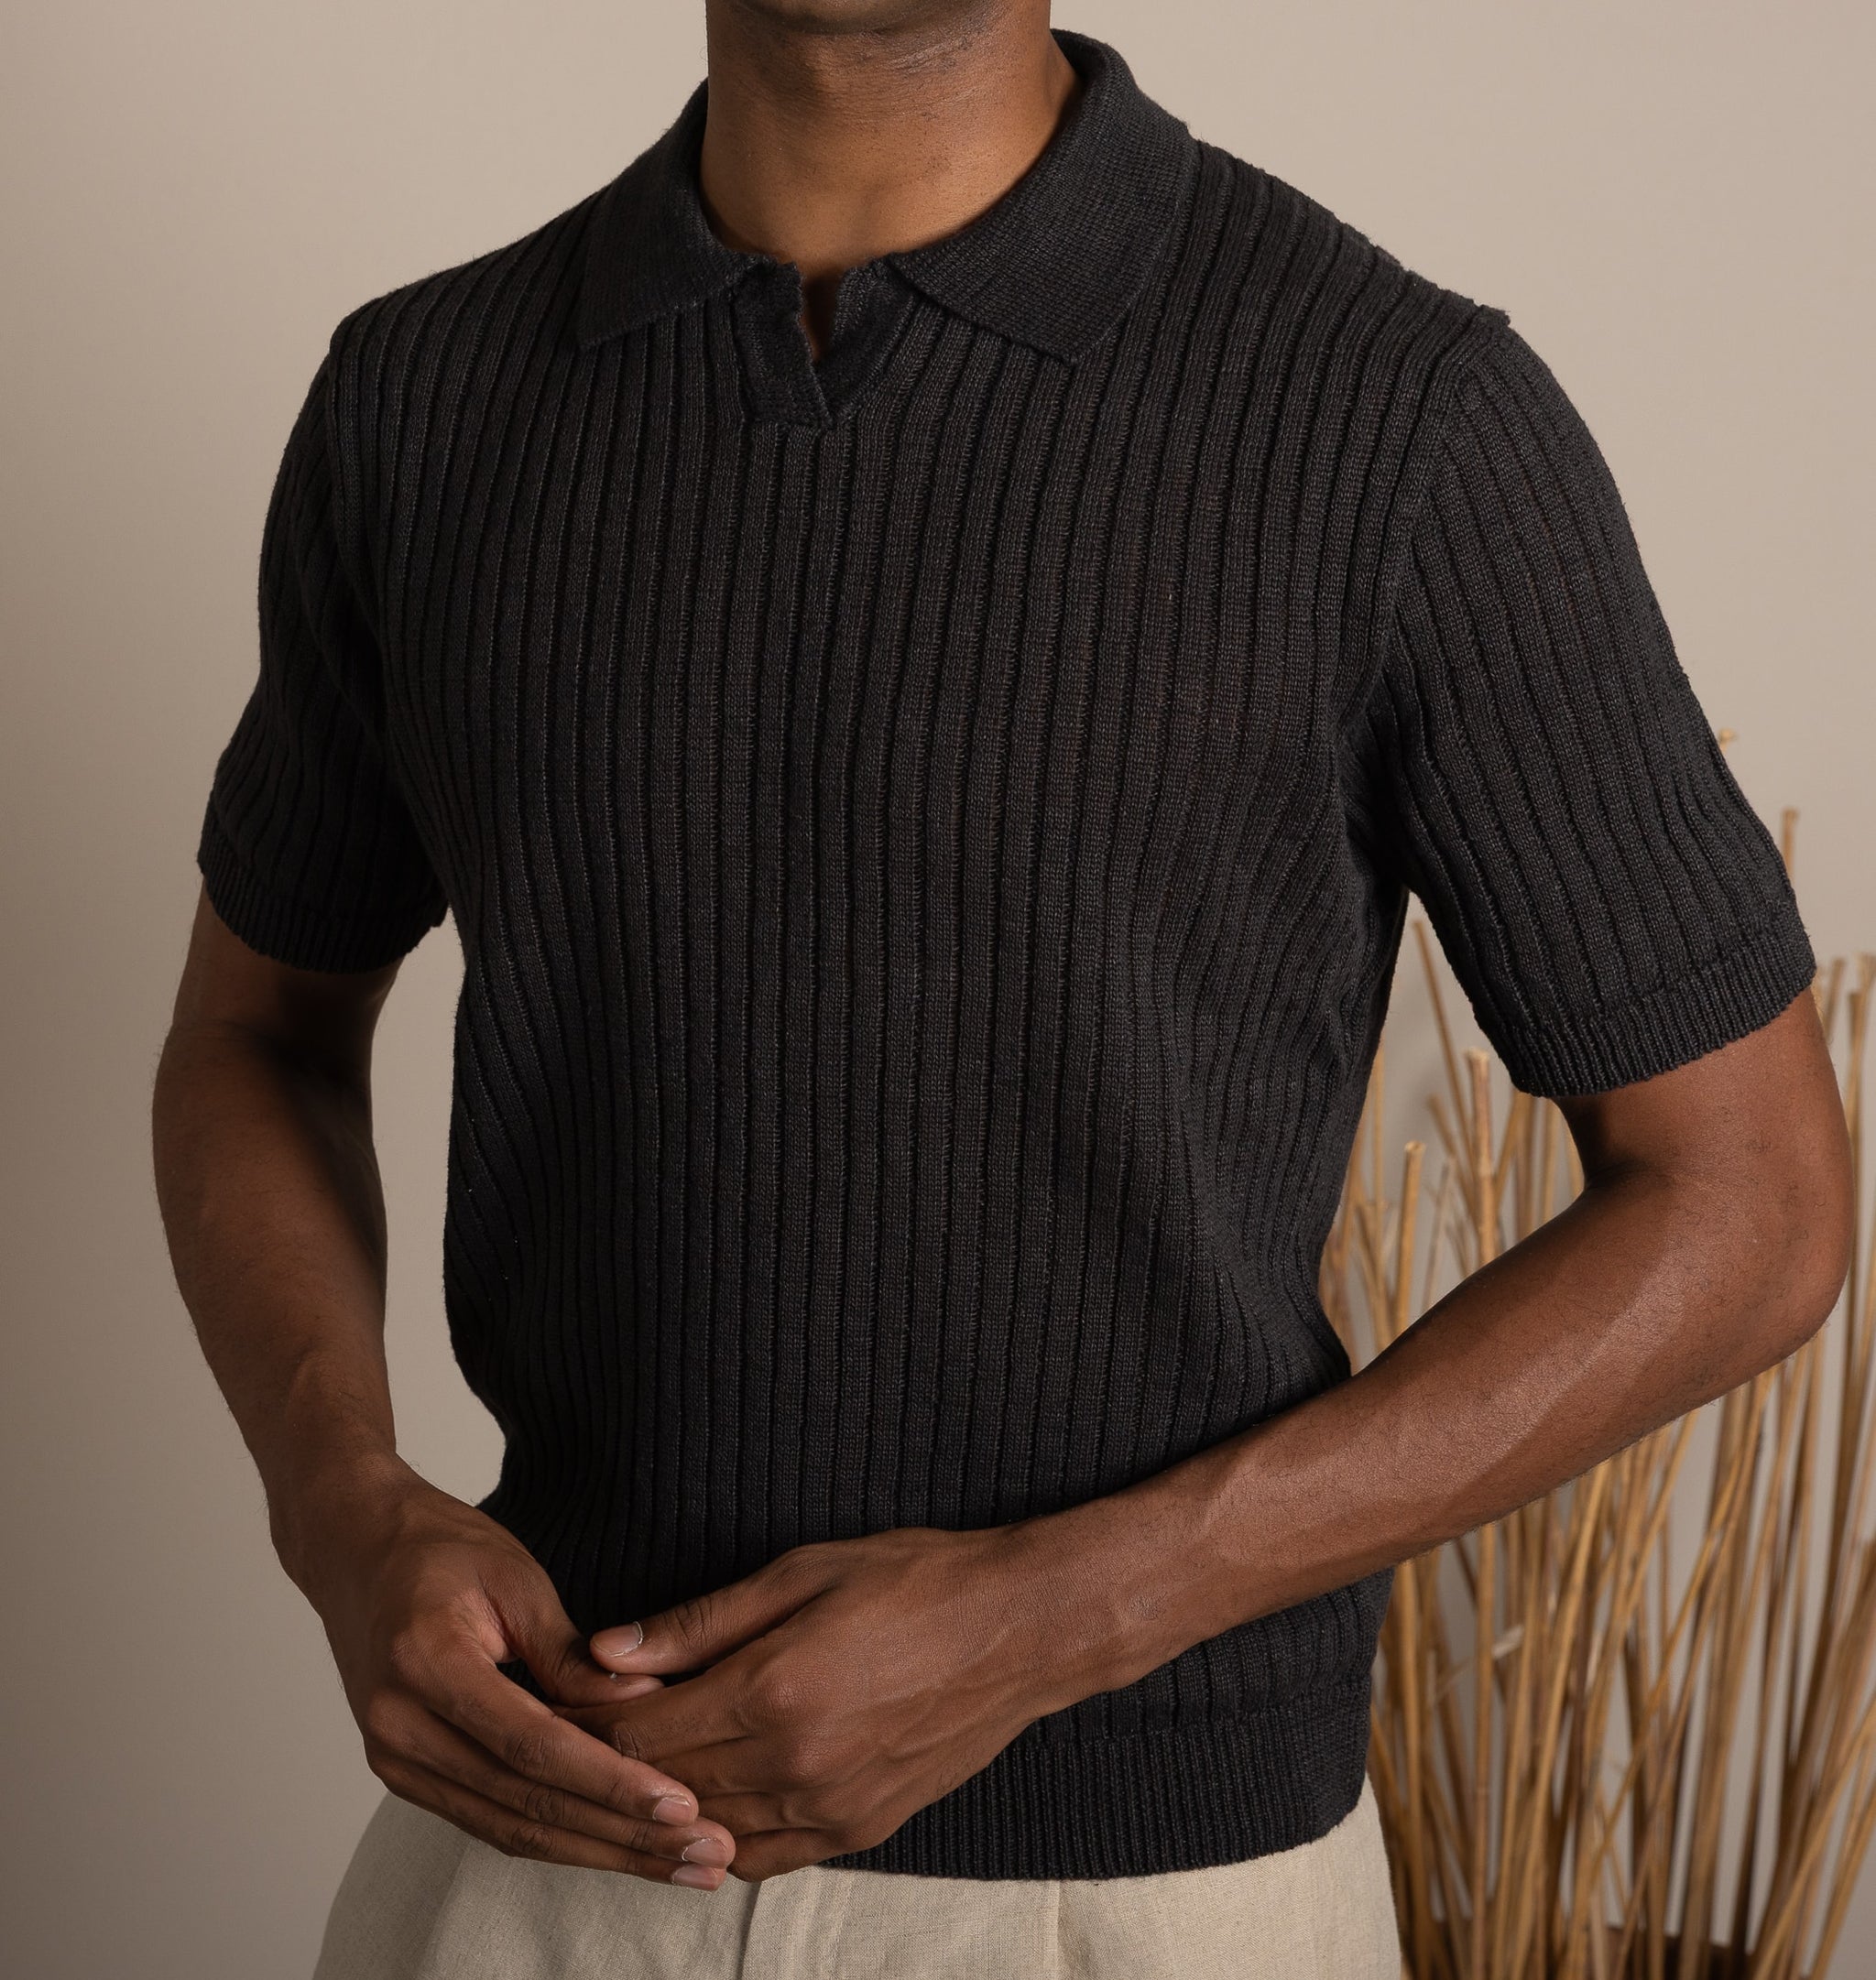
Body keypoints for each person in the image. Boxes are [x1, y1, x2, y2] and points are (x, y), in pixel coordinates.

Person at [151, 3, 1855, 1975]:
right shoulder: (422, 400)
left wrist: (1055, 1617)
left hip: (1144, 1892)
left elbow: (1751, 1200)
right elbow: (258, 1034)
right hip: (534, 1845)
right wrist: (344, 1508)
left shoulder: (1397, 411)